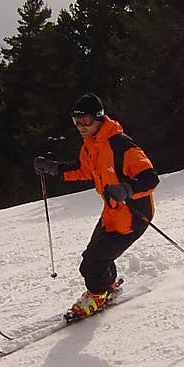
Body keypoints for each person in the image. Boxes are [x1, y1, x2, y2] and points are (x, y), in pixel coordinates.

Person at [34, 93, 159, 317]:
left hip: (134, 215)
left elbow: (150, 178)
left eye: (85, 121)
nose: (80, 126)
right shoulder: (91, 145)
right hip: (112, 213)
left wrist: (127, 189)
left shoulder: (121, 145)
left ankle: (98, 295)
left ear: (99, 118)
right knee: (96, 255)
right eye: (76, 122)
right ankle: (107, 286)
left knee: (92, 262)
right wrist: (53, 168)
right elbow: (83, 169)